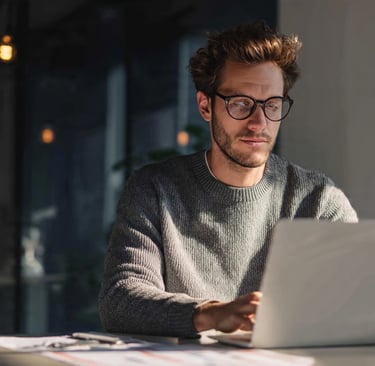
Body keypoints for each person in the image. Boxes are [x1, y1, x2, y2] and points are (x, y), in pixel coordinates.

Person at [98, 20, 358, 338]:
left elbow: (355, 303)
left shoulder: (318, 200)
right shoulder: (156, 190)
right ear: (206, 106)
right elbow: (121, 299)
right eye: (241, 104)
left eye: (272, 105)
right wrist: (209, 314)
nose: (258, 123)